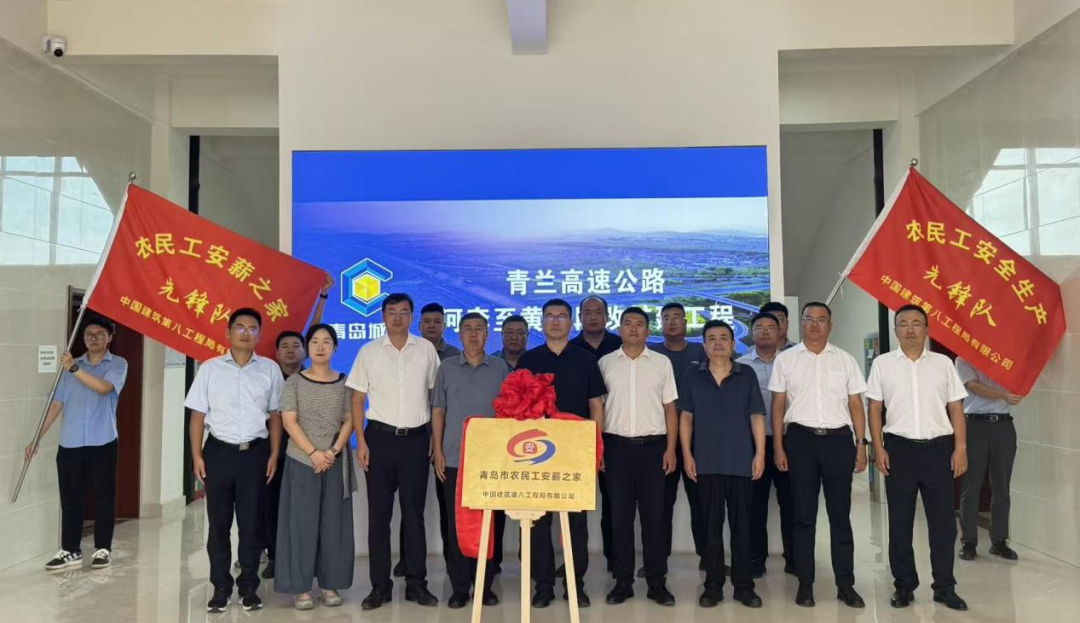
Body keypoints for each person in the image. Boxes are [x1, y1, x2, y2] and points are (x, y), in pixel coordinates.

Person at [868, 304, 969, 611]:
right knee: (900, 524)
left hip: (939, 450)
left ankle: (944, 587)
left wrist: (961, 448)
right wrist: (878, 447)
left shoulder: (943, 364)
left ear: (926, 329)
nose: (910, 329)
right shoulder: (883, 364)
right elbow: (875, 408)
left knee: (943, 525)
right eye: (903, 324)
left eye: (916, 323)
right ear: (896, 330)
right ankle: (904, 586)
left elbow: (955, 407)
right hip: (899, 451)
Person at [185, 308, 284, 612]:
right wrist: (196, 455)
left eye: (252, 328)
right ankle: (220, 587)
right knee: (219, 525)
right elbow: (197, 416)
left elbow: (275, 416)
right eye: (240, 327)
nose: (246, 333)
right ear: (228, 333)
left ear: (259, 335)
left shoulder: (270, 370)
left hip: (255, 453)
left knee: (252, 525)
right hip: (218, 453)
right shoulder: (210, 369)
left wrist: (274, 454)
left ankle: (249, 587)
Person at [769, 302, 867, 609]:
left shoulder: (845, 360)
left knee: (840, 515)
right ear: (800, 324)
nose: (814, 324)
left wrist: (861, 443)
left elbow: (856, 404)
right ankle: (805, 583)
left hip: (839, 440)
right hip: (800, 440)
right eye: (809, 319)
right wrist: (779, 446)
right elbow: (778, 405)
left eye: (821, 320)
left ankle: (845, 584)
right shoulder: (786, 360)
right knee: (803, 515)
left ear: (830, 326)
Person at [348, 293, 440, 610]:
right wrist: (361, 442)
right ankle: (380, 587)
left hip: (416, 440)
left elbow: (436, 399)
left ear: (412, 316)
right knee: (379, 518)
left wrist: (434, 438)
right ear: (383, 316)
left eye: (403, 312)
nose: (397, 317)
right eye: (392, 312)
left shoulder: (426, 350)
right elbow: (357, 400)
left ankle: (417, 584)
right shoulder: (369, 352)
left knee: (414, 516)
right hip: (379, 440)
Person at [517, 298, 606, 608]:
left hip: (575, 454)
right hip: (536, 454)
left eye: (561, 316)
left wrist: (595, 446)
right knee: (538, 524)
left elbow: (596, 406)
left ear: (571, 322)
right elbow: (517, 408)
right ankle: (542, 586)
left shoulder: (585, 360)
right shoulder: (529, 359)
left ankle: (574, 584)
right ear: (542, 322)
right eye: (550, 316)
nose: (555, 321)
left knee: (576, 525)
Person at [28, 316, 128, 572]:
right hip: (70, 442)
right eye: (88, 334)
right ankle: (70, 549)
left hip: (102, 441)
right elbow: (57, 404)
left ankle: (103, 548)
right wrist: (36, 438)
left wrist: (74, 368)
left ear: (109, 338)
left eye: (99, 334)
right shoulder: (70, 367)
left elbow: (104, 388)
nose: (93, 338)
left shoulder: (117, 364)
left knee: (104, 496)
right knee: (70, 498)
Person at [681, 320, 766, 609]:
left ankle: (744, 587)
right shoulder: (693, 375)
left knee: (743, 528)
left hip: (741, 462)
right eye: (712, 338)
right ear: (704, 345)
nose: (718, 343)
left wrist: (760, 454)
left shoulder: (746, 374)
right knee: (710, 529)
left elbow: (757, 416)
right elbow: (686, 417)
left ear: (732, 344)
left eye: (723, 338)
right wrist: (687, 454)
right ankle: (713, 586)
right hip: (705, 463)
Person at [431, 313, 512, 608]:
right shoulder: (447, 368)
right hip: (454, 458)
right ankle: (460, 587)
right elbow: (438, 411)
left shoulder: (500, 367)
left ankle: (485, 585)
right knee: (456, 527)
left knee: (490, 525)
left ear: (488, 334)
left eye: (479, 329)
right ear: (459, 334)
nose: (474, 334)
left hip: (491, 460)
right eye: (468, 329)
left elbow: (510, 411)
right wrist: (438, 451)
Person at [599, 307, 678, 606]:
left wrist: (670, 449)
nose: (633, 328)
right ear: (619, 329)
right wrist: (598, 448)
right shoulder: (605, 363)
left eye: (640, 324)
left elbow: (670, 409)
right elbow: (598, 409)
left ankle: (657, 583)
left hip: (654, 449)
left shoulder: (661, 363)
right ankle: (623, 582)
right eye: (628, 324)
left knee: (654, 519)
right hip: (616, 449)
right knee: (619, 519)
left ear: (648, 330)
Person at [274, 324, 356, 610]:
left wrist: (331, 452)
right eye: (315, 342)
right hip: (301, 460)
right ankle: (301, 587)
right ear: (307, 348)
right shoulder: (294, 382)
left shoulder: (346, 382)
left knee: (334, 525)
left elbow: (350, 420)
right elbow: (289, 421)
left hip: (334, 461)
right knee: (300, 524)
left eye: (326, 342)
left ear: (335, 347)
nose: (320, 347)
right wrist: (313, 453)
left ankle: (330, 583)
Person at [263, 273, 332, 579]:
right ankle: (275, 557)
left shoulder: (310, 377)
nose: (292, 350)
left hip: (307, 453)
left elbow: (314, 330)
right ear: (276, 353)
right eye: (285, 346)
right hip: (273, 454)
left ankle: (308, 560)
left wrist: (322, 297)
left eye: (296, 345)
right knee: (272, 506)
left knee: (305, 509)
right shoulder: (267, 376)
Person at [391, 301, 460, 579]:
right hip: (416, 435)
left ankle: (452, 556)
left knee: (447, 503)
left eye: (437, 321)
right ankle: (406, 558)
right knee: (411, 502)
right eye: (427, 321)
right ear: (419, 325)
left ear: (445, 325)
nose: (432, 325)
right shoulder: (409, 352)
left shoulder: (455, 356)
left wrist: (440, 439)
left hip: (447, 439)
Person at [648, 302, 706, 570]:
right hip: (663, 439)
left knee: (702, 502)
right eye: (666, 318)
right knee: (661, 504)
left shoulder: (700, 352)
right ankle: (658, 560)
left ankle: (709, 558)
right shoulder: (652, 354)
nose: (671, 322)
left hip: (698, 438)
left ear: (686, 322)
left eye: (677, 317)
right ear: (660, 323)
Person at [737, 311, 795, 577]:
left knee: (791, 503)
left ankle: (794, 558)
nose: (765, 331)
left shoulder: (792, 362)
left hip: (789, 441)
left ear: (780, 330)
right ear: (751, 333)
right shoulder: (740, 365)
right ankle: (755, 559)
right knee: (754, 505)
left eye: (771, 327)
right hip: (753, 443)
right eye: (759, 327)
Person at [569, 295, 621, 573]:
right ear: (579, 317)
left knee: (614, 502)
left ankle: (615, 558)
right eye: (587, 312)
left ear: (607, 316)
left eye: (598, 312)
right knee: (573, 503)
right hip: (576, 440)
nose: (592, 316)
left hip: (615, 436)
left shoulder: (621, 346)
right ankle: (572, 560)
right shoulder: (570, 349)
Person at [956, 355, 1022, 562]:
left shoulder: (1005, 357)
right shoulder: (963, 359)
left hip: (1004, 425)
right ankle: (969, 542)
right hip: (976, 425)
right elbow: (973, 386)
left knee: (1002, 486)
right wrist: (1003, 394)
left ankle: (999, 541)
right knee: (972, 484)